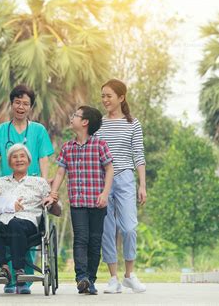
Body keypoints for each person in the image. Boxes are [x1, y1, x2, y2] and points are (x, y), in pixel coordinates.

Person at [0, 84, 55, 294]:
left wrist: (42, 183)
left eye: (26, 103)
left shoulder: (38, 130)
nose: (21, 107)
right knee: (1, 222)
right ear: (12, 103)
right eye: (18, 102)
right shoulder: (0, 130)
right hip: (6, 186)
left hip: (30, 188)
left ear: (30, 107)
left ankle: (23, 279)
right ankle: (9, 278)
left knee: (23, 224)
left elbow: (43, 157)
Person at [47, 106, 114, 295]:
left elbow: (110, 170)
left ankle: (90, 280)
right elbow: (60, 172)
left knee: (94, 241)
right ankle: (81, 277)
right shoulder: (68, 147)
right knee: (81, 239)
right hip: (77, 203)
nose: (72, 117)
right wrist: (53, 192)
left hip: (97, 202)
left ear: (85, 122)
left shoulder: (100, 145)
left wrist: (105, 193)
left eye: (75, 115)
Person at [95, 79, 147, 293]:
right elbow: (93, 152)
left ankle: (129, 274)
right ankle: (114, 278)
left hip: (125, 177)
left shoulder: (132, 123)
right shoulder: (98, 123)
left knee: (128, 227)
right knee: (107, 230)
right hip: (101, 179)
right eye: (103, 96)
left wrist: (142, 185)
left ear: (121, 97)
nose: (105, 100)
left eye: (109, 96)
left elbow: (139, 155)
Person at [0, 144, 52, 291]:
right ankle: (4, 267)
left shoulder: (39, 182)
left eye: (22, 156)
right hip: (2, 222)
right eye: (14, 157)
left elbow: (55, 209)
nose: (18, 160)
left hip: (27, 223)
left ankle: (19, 270)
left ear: (29, 161)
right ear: (9, 162)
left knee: (16, 223)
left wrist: (53, 201)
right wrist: (9, 206)